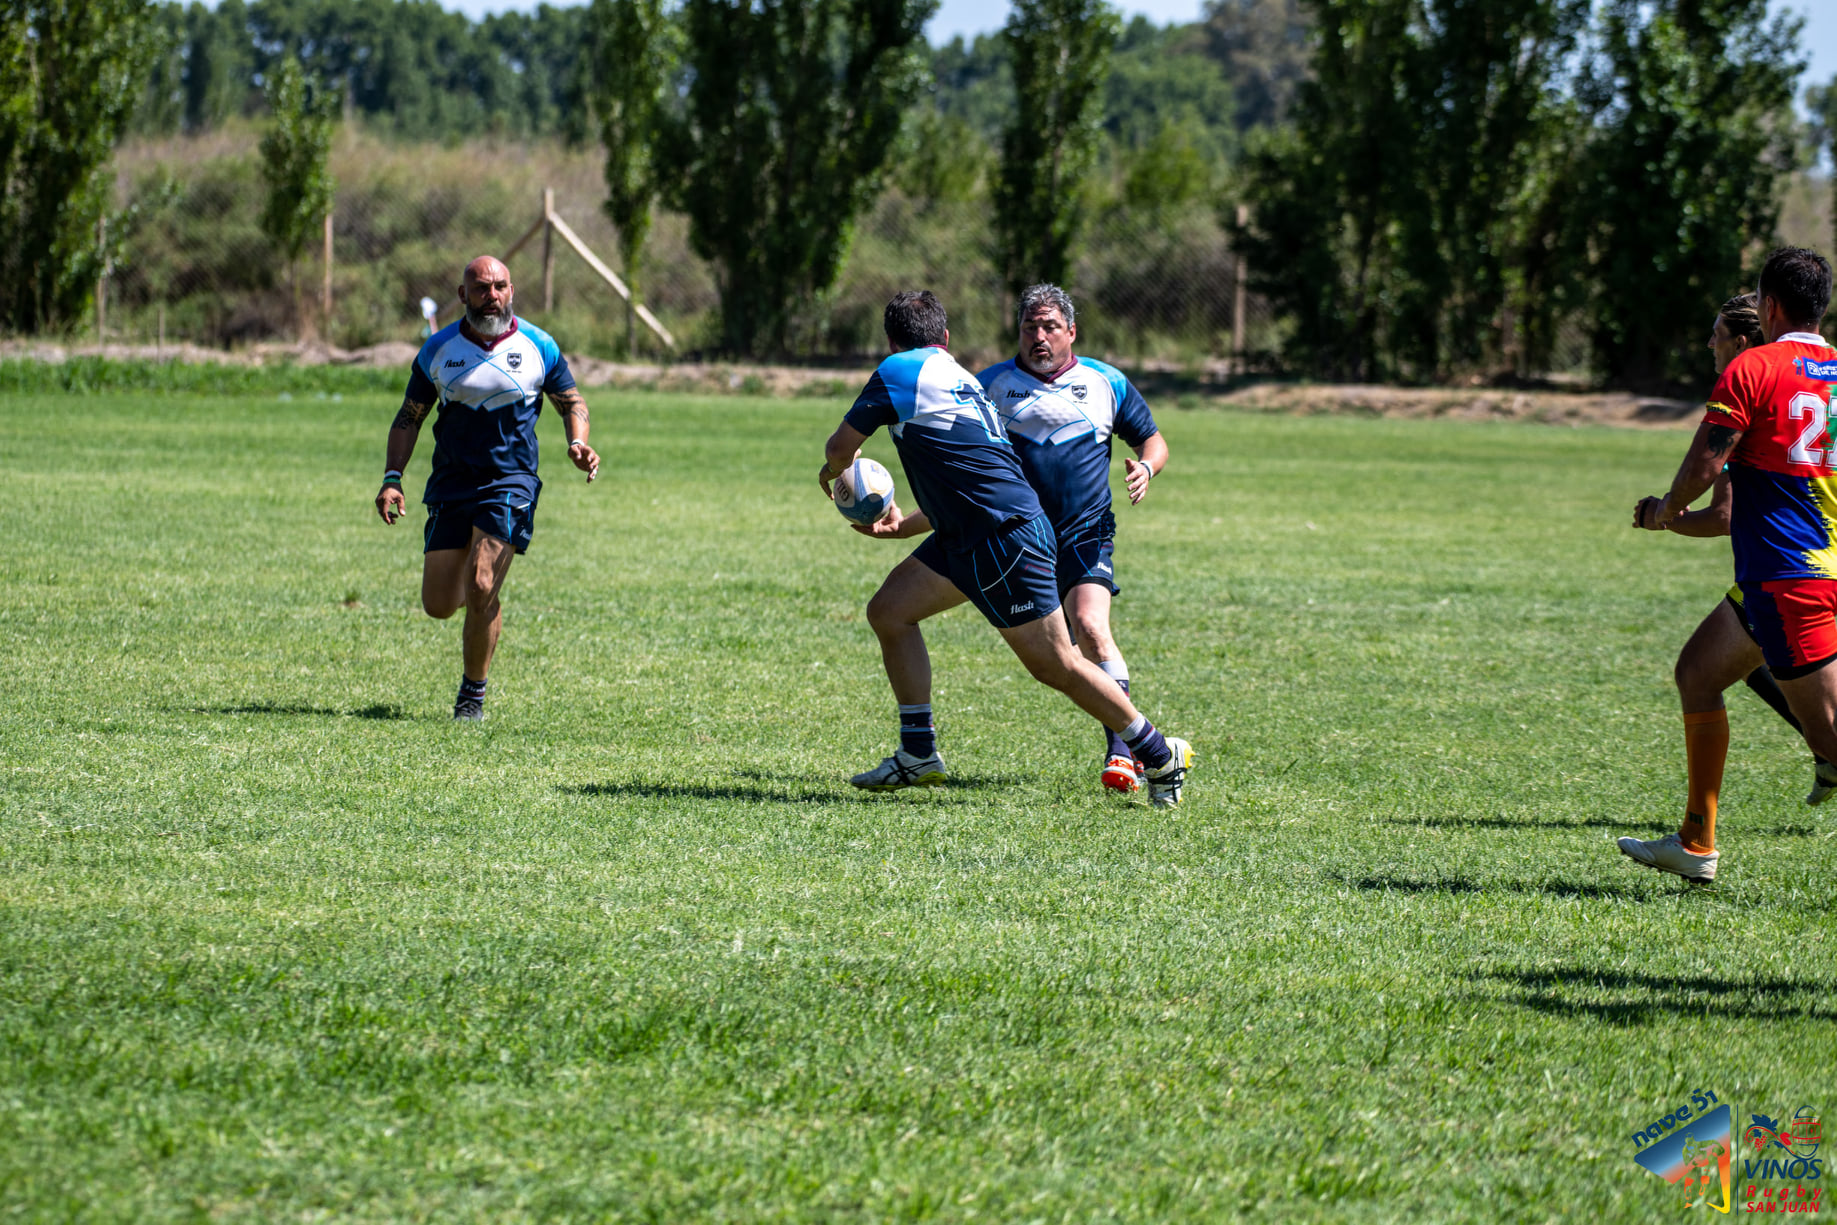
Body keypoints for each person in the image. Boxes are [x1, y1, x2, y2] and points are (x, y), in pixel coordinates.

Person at [819, 290, 1195, 807]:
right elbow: (971, 475)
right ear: (945, 338)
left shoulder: (900, 370)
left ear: (890, 341)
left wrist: (833, 474)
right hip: (970, 533)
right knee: (890, 612)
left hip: (1002, 538)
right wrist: (906, 524)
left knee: (1056, 664)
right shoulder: (963, 378)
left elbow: (839, 449)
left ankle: (1157, 753)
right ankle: (918, 752)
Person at [1620, 248, 1837, 881]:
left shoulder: (1754, 368)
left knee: (1831, 747)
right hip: (1786, 576)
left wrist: (1664, 509)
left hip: (1791, 578)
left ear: (1769, 306)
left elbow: (1706, 466)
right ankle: (1695, 842)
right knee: (1697, 673)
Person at [374, 255, 600, 720]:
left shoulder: (539, 345)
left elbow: (571, 401)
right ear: (463, 295)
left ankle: (471, 696)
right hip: (452, 481)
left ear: (511, 290)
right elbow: (409, 416)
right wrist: (392, 477)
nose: (491, 296)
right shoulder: (438, 350)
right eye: (480, 288)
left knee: (479, 584)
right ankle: (483, 609)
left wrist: (578, 442)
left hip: (510, 480)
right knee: (438, 605)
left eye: (499, 286)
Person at [977, 284, 1170, 793]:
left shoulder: (1105, 381)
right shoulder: (991, 384)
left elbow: (1152, 440)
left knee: (1089, 626)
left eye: (1050, 328)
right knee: (1053, 659)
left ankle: (1124, 755)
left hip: (1087, 530)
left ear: (1071, 332)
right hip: (1019, 538)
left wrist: (1146, 468)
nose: (1038, 337)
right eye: (1029, 327)